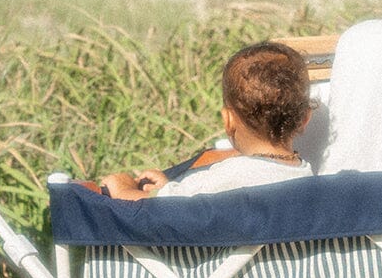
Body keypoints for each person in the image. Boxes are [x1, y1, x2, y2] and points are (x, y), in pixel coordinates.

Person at [101, 42, 314, 200]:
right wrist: (168, 187)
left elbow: (163, 210)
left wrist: (123, 190)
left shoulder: (229, 175)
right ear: (304, 119)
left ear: (228, 120)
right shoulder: (307, 178)